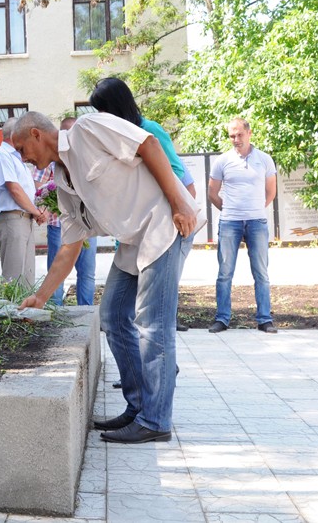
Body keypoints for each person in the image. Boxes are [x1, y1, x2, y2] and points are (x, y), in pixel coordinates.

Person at [13, 111, 205, 444]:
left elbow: (149, 144)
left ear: (36, 134)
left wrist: (179, 203)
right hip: (134, 241)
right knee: (113, 315)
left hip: (164, 224)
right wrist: (41, 296)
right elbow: (69, 248)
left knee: (153, 325)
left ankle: (156, 420)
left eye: (21, 148)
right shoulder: (61, 179)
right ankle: (139, 406)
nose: (23, 158)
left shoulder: (89, 128)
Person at [89, 76, 197, 330]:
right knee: (121, 313)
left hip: (166, 229)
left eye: (104, 110)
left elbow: (176, 174)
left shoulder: (149, 130)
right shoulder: (115, 139)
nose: (102, 116)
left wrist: (180, 210)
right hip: (135, 234)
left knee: (153, 315)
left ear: (117, 105)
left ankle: (165, 367)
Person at [207, 117, 278, 334]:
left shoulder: (265, 159)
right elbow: (212, 193)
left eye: (239, 134)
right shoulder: (222, 161)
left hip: (257, 222)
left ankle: (264, 319)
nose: (236, 139)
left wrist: (256, 208)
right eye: (231, 136)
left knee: (261, 273)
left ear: (249, 133)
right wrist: (230, 210)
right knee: (225, 272)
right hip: (230, 222)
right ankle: (222, 318)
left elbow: (271, 192)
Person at [34, 117, 96, 306]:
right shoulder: (51, 160)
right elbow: (37, 187)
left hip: (87, 225)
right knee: (57, 270)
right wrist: (45, 206)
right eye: (65, 133)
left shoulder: (86, 159)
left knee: (87, 273)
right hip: (58, 225)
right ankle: (56, 312)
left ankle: (86, 312)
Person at [0, 117, 46, 288]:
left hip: (25, 218)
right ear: (15, 135)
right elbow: (13, 189)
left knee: (27, 276)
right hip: (13, 219)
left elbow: (28, 190)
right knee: (13, 277)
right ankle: (11, 315)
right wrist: (36, 212)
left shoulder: (17, 159)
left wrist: (38, 211)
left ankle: (25, 314)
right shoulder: (1, 155)